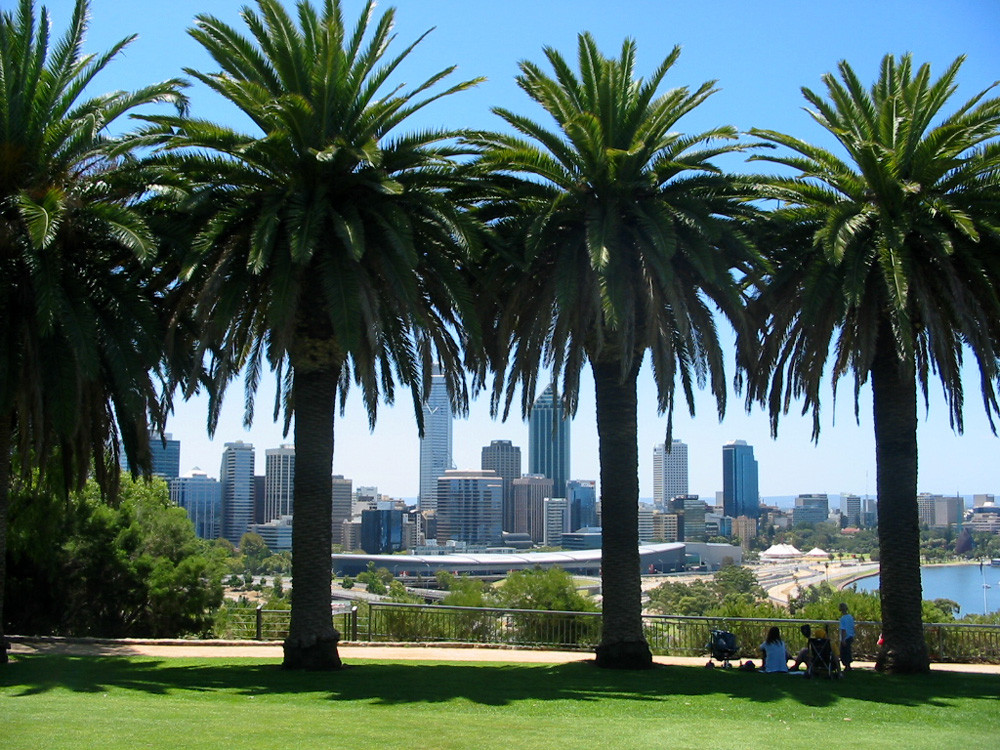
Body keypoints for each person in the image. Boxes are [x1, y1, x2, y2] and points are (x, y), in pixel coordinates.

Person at [839, 602, 855, 671]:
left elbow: (843, 630)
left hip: (846, 637)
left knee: (844, 653)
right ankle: (849, 666)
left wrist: (843, 639)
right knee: (848, 651)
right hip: (850, 636)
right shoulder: (850, 617)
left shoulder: (842, 619)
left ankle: (846, 666)